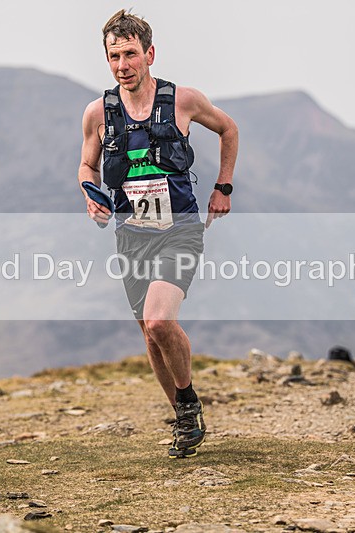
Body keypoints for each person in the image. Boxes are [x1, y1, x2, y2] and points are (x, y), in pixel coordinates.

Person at [78, 9, 238, 459]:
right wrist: (91, 196)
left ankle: (187, 405)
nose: (122, 64)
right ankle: (185, 419)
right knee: (149, 335)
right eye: (114, 56)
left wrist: (223, 187)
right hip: (131, 235)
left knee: (159, 320)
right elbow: (87, 165)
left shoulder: (182, 100)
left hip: (180, 230)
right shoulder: (98, 113)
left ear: (149, 54)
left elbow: (229, 128)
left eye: (130, 54)